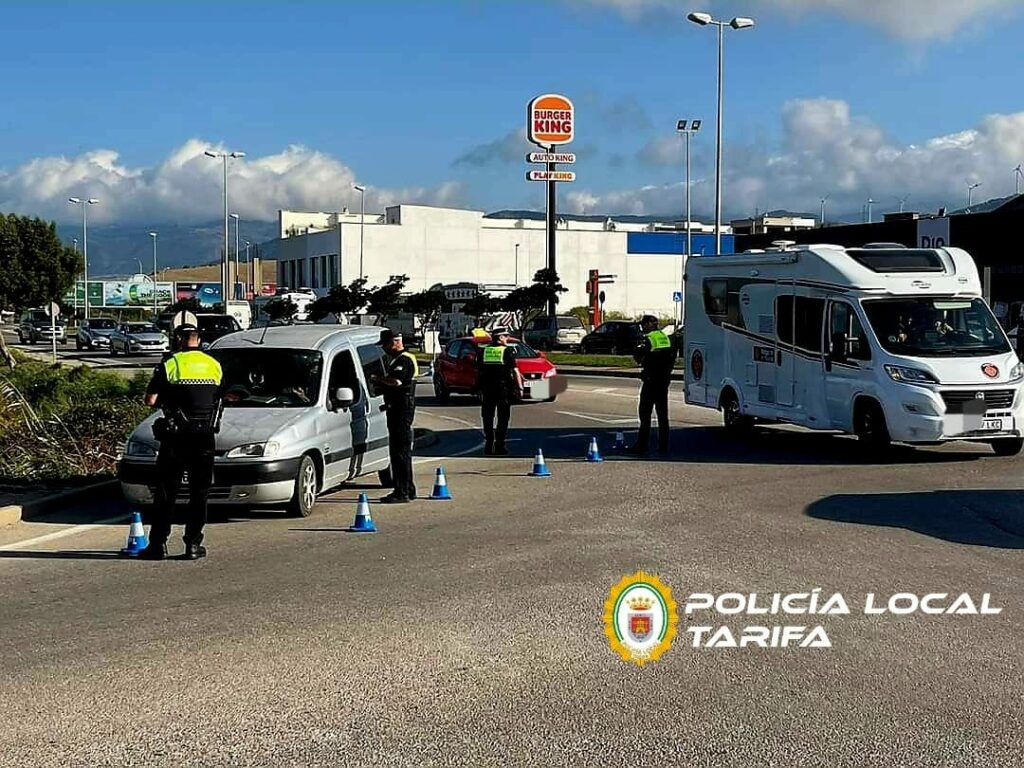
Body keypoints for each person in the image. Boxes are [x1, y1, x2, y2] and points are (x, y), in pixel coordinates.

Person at [139, 323, 225, 561]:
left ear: (178, 340)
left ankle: (158, 545)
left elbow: (150, 400)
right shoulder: (214, 365)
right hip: (205, 437)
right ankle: (193, 545)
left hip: (176, 437)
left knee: (167, 492)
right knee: (200, 493)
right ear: (199, 340)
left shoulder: (170, 364)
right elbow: (220, 396)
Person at [371, 329, 419, 504]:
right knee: (401, 451)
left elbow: (396, 381)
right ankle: (409, 488)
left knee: (400, 452)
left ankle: (401, 491)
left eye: (385, 345)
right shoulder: (399, 359)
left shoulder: (404, 360)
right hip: (398, 408)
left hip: (401, 409)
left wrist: (377, 379)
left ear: (394, 342)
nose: (384, 349)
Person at [629, 315, 677, 456]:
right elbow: (672, 356)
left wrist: (639, 355)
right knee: (662, 415)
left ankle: (642, 444)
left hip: (651, 380)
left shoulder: (649, 338)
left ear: (649, 324)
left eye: (643, 324)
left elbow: (638, 356)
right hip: (664, 380)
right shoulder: (665, 337)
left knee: (645, 413)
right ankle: (663, 445)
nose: (642, 327)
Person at [476, 327, 523, 455]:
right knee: (503, 418)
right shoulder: (507, 351)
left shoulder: (484, 351)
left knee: (487, 417)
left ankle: (488, 444)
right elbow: (515, 371)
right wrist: (520, 388)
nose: (507, 338)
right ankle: (499, 445)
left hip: (487, 389)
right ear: (500, 338)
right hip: (503, 389)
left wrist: (478, 388)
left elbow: (479, 371)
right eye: (506, 336)